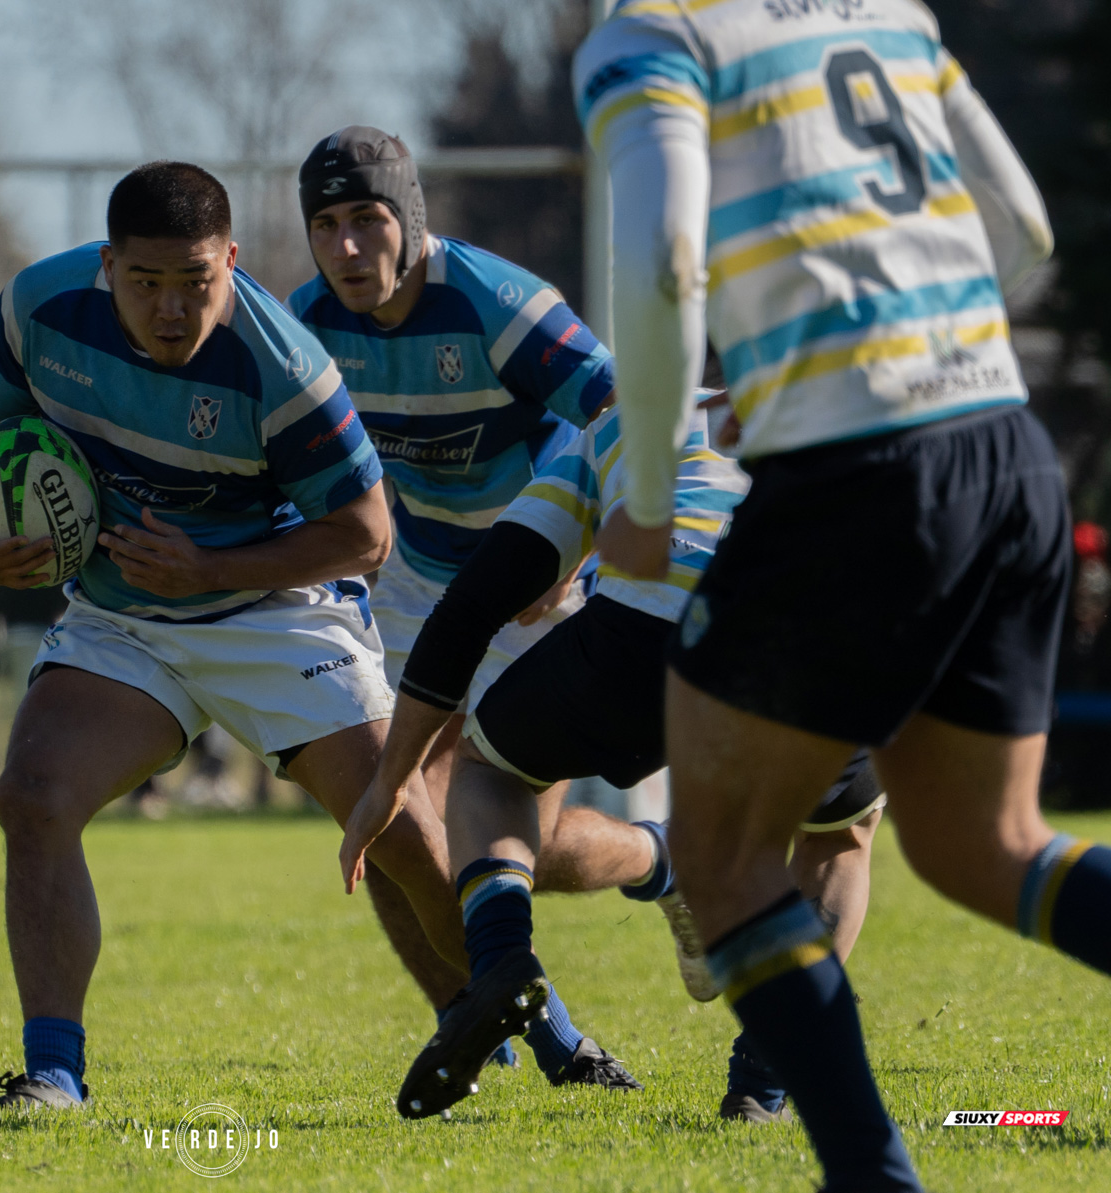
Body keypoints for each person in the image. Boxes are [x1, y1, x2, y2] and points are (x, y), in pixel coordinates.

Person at [574, 3, 1099, 1188]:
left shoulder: (649, 33)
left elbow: (662, 263)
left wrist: (650, 492)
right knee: (984, 844)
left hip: (858, 476)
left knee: (719, 855)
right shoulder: (887, 10)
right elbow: (1024, 229)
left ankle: (873, 1175)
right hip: (1005, 447)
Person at [0, 161, 470, 1109]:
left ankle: (522, 1012)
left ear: (231, 260)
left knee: (399, 827)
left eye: (196, 282)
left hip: (276, 609)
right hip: (126, 620)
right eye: (146, 282)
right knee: (33, 795)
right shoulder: (40, 311)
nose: (172, 309)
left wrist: (211, 569)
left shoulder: (286, 366)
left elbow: (368, 533)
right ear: (107, 267)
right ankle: (54, 1070)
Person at [341, 394, 884, 1122]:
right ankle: (765, 1078)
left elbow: (474, 601)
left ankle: (504, 957)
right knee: (840, 833)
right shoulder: (863, 407)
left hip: (644, 634)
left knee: (491, 770)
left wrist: (390, 779)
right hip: (813, 639)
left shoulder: (632, 415)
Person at [288, 126, 636, 1089]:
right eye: (327, 225)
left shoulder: (499, 305)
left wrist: (577, 546)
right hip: (413, 580)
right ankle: (489, 1023)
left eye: (368, 219)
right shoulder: (305, 323)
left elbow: (627, 415)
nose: (350, 247)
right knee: (392, 819)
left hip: (534, 589)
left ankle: (656, 861)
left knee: (513, 837)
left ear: (411, 218)